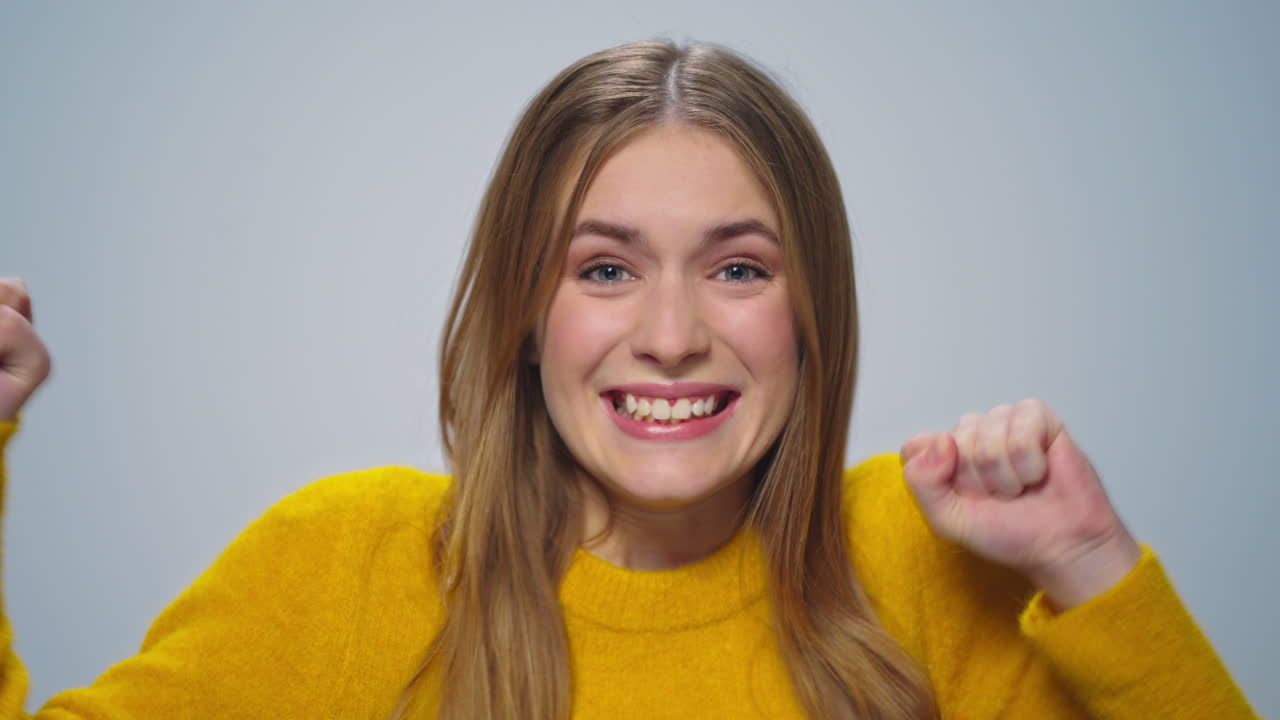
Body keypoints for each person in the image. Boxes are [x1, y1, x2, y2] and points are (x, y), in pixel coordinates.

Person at [0, 39, 1258, 720]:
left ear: (810, 314)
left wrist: (1089, 563)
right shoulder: (343, 566)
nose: (668, 335)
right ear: (522, 314)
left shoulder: (922, 567)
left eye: (737, 269)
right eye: (603, 269)